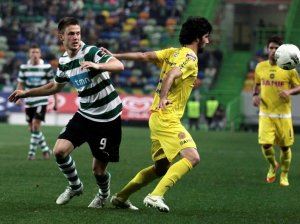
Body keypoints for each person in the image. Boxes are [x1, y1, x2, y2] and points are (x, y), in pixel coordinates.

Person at [9, 17, 125, 208]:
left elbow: (118, 65)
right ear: (61, 36)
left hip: (108, 118)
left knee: (98, 171)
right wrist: (25, 93)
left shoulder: (91, 52)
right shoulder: (63, 61)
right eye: (71, 33)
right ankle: (75, 186)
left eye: (78, 33)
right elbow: (54, 86)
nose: (76, 37)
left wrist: (99, 66)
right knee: (59, 151)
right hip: (86, 114)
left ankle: (103, 195)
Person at [104, 16, 212, 212]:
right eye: (206, 36)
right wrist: (163, 97)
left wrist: (115, 55)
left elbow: (144, 55)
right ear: (197, 38)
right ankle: (155, 196)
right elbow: (171, 75)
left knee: (161, 167)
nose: (208, 41)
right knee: (192, 157)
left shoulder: (172, 52)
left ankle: (121, 197)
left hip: (155, 116)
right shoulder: (190, 57)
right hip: (166, 115)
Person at [252, 35, 300, 186]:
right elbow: (256, 84)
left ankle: (284, 174)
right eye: (270, 47)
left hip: (283, 115)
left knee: (285, 147)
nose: (272, 51)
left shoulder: (288, 68)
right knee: (265, 144)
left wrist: (289, 92)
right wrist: (254, 95)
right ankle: (273, 165)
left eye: (276, 48)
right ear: (267, 49)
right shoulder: (260, 67)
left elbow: (298, 87)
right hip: (265, 113)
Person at [16, 44, 57, 160]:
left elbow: (53, 85)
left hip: (41, 100)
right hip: (29, 101)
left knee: (35, 125)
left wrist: (54, 101)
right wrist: (18, 97)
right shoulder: (24, 67)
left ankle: (31, 153)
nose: (34, 54)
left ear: (40, 54)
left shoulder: (46, 67)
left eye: (36, 52)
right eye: (32, 52)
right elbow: (20, 83)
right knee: (32, 128)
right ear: (29, 54)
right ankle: (45, 149)